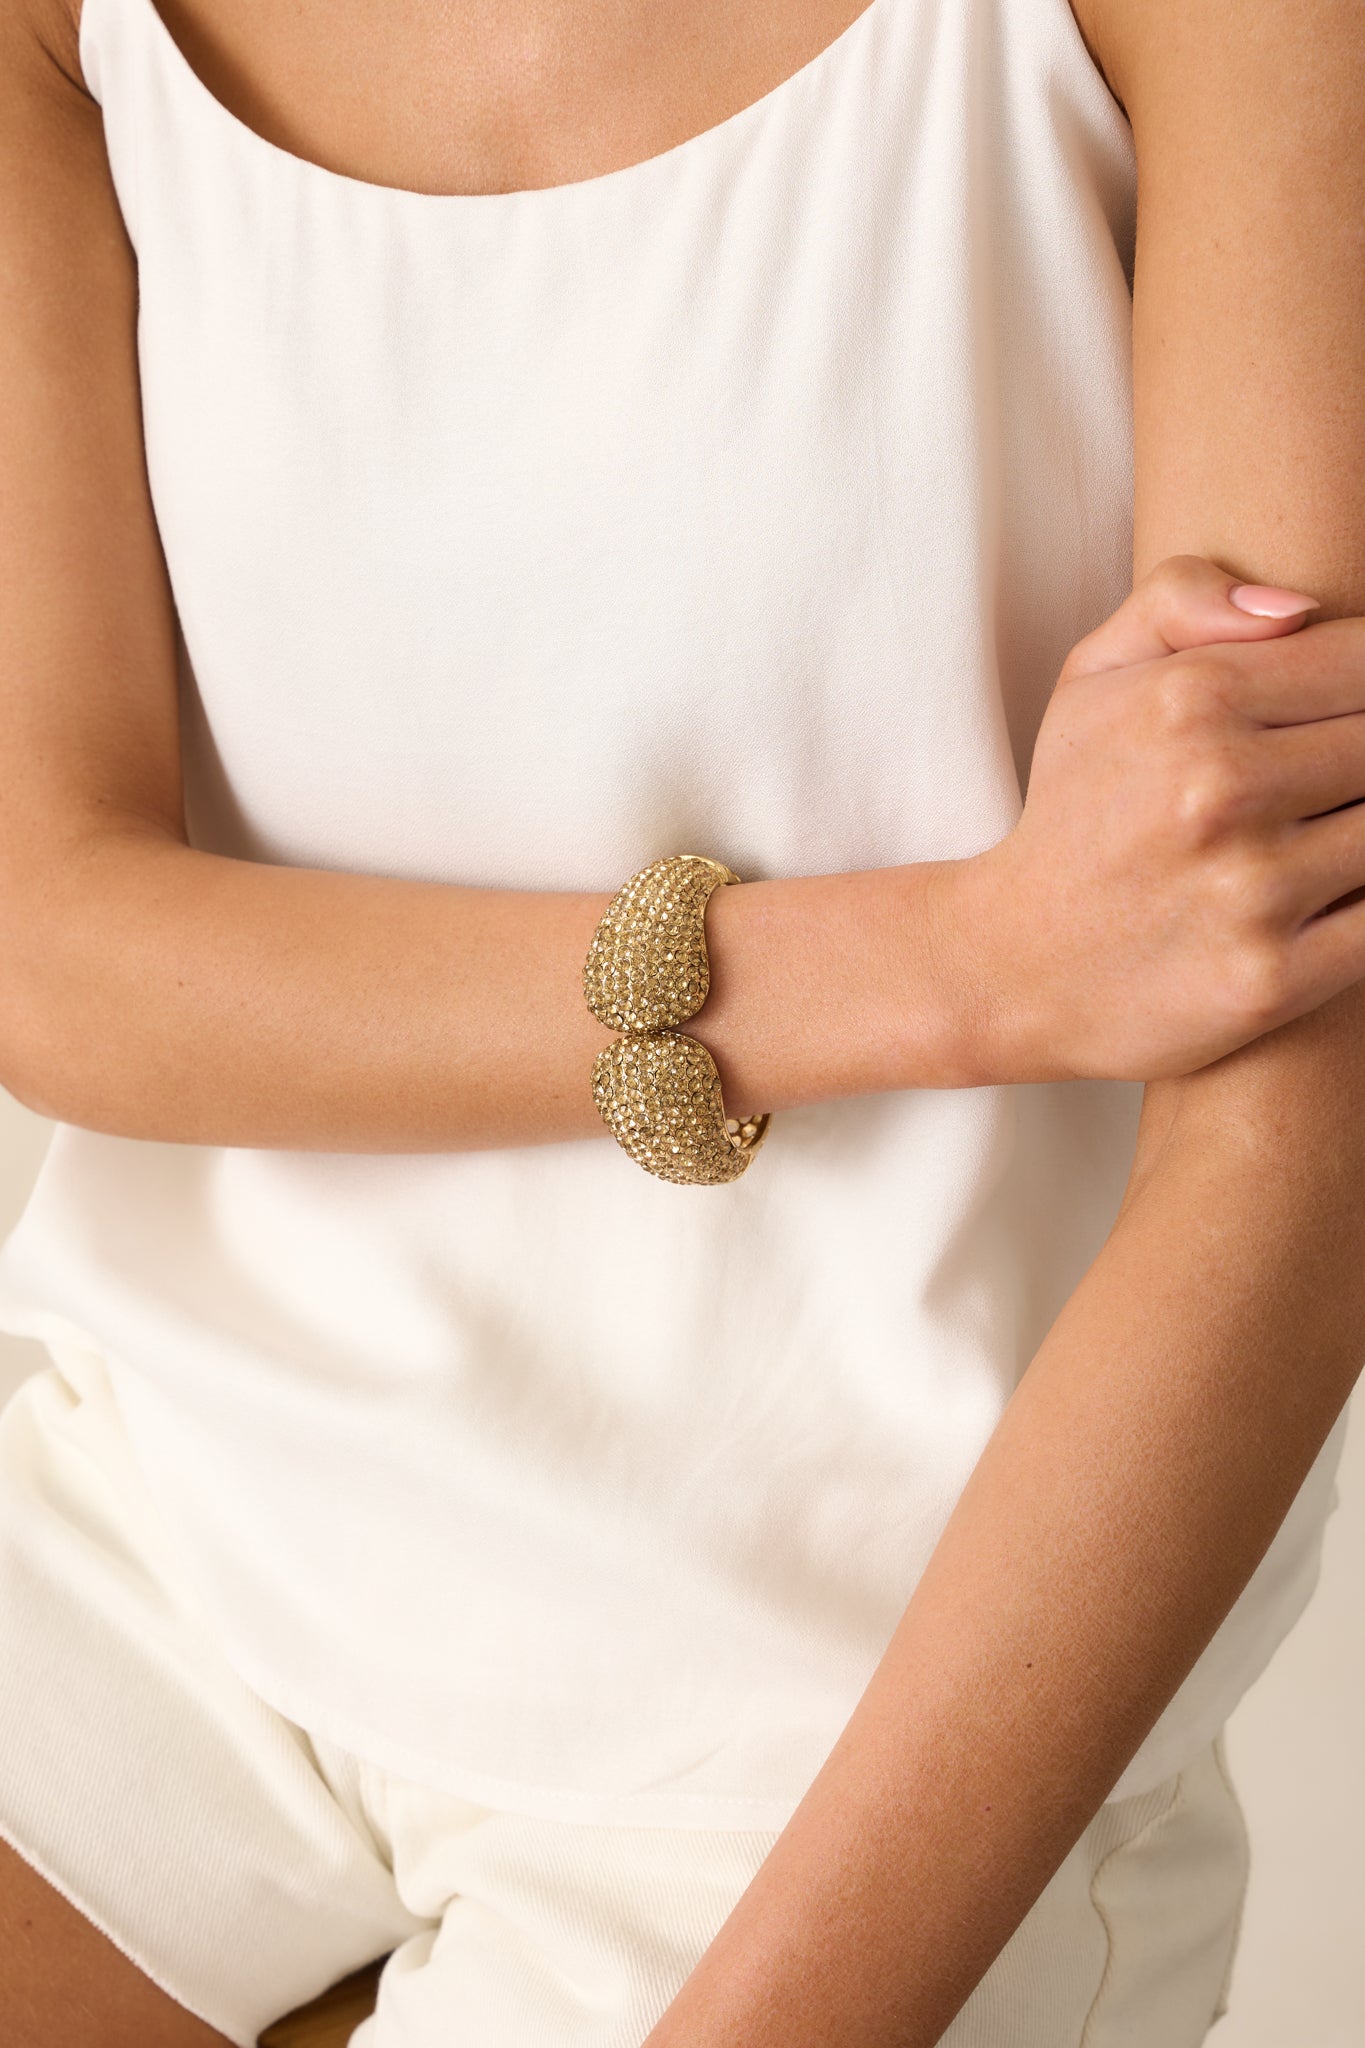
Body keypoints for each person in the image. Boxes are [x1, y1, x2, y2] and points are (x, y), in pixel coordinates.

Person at [0, 0, 1362, 2042]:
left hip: (839, 1701)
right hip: (169, 1520)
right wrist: (959, 960)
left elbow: (1292, 1169)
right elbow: (53, 945)